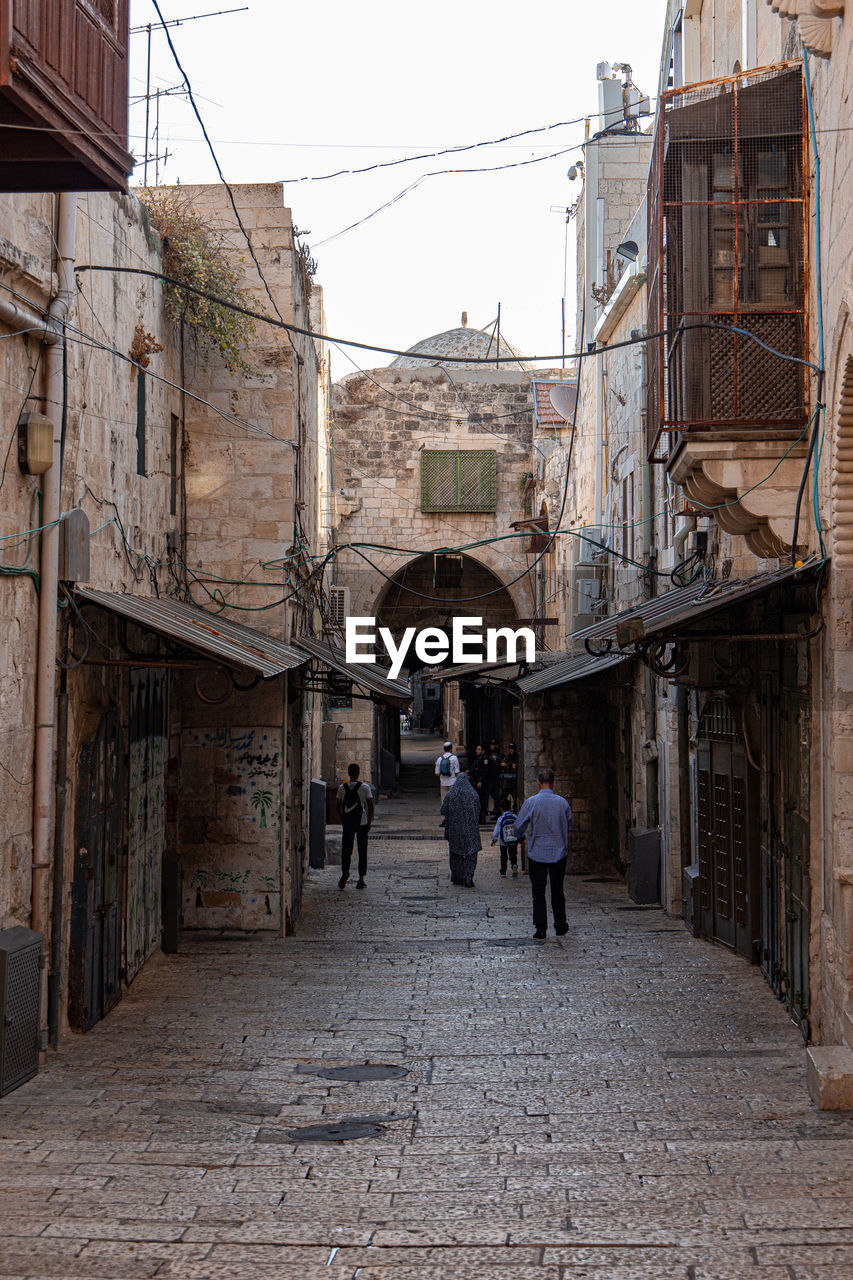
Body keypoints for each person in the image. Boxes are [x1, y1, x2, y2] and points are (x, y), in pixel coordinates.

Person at [515, 768, 573, 940]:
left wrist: (521, 838)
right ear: (554, 783)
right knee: (557, 890)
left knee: (538, 892)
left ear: (539, 783)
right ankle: (560, 925)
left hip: (536, 853)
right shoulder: (562, 803)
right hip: (558, 852)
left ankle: (540, 928)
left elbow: (518, 826)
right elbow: (569, 825)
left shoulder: (531, 802)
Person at [335, 763, 374, 890]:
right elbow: (370, 805)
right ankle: (361, 878)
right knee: (362, 850)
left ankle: (345, 872)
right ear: (358, 773)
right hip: (361, 822)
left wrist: (343, 818)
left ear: (348, 773)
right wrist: (369, 821)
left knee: (346, 850)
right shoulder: (364, 787)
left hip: (348, 823)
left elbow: (337, 806)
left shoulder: (342, 787)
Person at [441, 771, 482, 887]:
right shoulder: (473, 795)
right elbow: (479, 809)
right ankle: (468, 877)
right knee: (471, 853)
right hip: (471, 830)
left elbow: (443, 810)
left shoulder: (451, 794)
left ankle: (457, 876)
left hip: (455, 830)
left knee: (455, 853)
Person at [491, 800, 521, 877]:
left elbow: (496, 830)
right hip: (513, 839)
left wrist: (494, 839)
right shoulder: (515, 817)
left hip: (503, 841)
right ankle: (514, 865)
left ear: (501, 808)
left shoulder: (501, 819)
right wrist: (521, 837)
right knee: (513, 854)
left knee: (503, 855)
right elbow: (519, 827)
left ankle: (503, 871)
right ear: (510, 807)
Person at [468, 743, 488, 821]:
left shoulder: (484, 759)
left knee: (481, 800)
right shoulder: (477, 759)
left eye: (479, 749)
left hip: (480, 782)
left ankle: (482, 817)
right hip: (476, 781)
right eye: (477, 749)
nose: (477, 751)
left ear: (483, 751)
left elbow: (484, 771)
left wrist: (480, 781)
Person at [484, 739, 502, 817]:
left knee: (494, 794)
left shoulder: (496, 755)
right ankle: (493, 810)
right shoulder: (490, 754)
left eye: (493, 745)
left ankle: (496, 810)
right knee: (492, 794)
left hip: (494, 778)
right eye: (491, 744)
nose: (492, 746)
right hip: (491, 778)